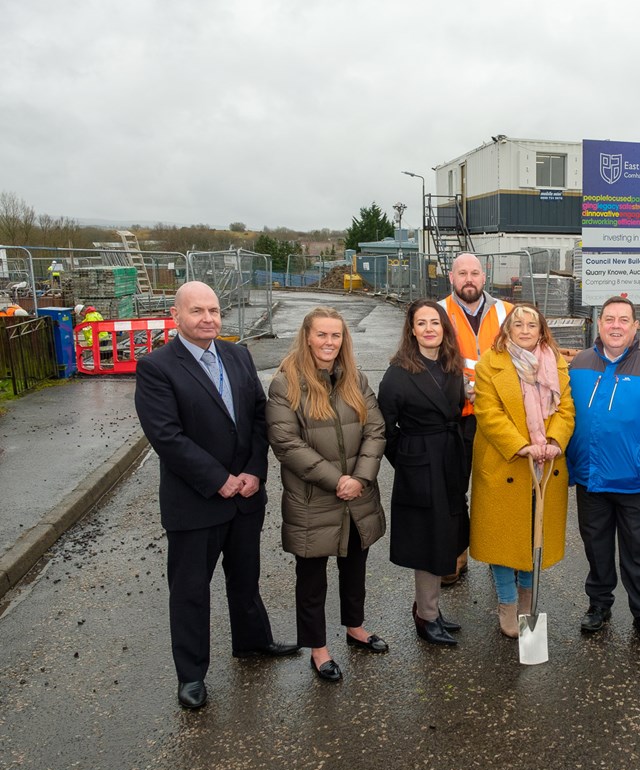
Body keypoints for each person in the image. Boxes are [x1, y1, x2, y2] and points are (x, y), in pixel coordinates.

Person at [134, 281, 297, 710]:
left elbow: (258, 418)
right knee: (190, 590)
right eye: (197, 311)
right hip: (196, 501)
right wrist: (218, 478)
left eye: (214, 311)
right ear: (176, 316)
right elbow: (166, 437)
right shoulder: (157, 367)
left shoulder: (237, 354)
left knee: (245, 579)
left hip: (245, 495)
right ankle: (191, 675)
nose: (208, 319)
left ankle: (252, 642)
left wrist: (253, 471)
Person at [266, 307, 389, 683]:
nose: (329, 343)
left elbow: (376, 430)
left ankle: (355, 627)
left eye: (335, 336)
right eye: (321, 335)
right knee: (312, 577)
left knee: (355, 566)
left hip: (357, 495)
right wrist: (338, 480)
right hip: (313, 499)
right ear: (307, 337)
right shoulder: (286, 384)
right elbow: (286, 443)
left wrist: (361, 478)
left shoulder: (356, 379)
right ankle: (318, 648)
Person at [566, 296, 640, 645]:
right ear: (599, 324)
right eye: (609, 319)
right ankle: (599, 605)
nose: (616, 326)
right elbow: (564, 415)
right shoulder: (579, 365)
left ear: (635, 327)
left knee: (638, 550)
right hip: (591, 480)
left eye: (623, 320)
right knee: (596, 547)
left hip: (634, 482)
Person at [469, 303, 575, 638]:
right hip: (506, 463)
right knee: (503, 540)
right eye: (518, 325)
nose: (526, 330)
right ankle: (508, 604)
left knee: (534, 537)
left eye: (532, 325)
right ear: (507, 330)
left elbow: (566, 407)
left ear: (542, 330)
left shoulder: (555, 362)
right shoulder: (490, 363)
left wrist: (556, 440)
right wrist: (521, 445)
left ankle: (528, 602)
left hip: (545, 465)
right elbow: (487, 410)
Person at [377, 300, 470, 646]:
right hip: (420, 461)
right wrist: (409, 460)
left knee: (447, 534)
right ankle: (426, 616)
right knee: (428, 539)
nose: (429, 329)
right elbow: (385, 428)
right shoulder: (397, 374)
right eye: (422, 323)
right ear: (411, 330)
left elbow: (457, 411)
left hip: (448, 457)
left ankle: (430, 608)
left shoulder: (451, 365)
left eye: (436, 322)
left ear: (444, 328)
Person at [438, 252, 514, 585]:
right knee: (454, 489)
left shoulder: (507, 312)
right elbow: (429, 361)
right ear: (451, 278)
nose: (469, 279)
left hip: (498, 416)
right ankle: (457, 554)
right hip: (458, 417)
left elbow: (523, 357)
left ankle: (503, 557)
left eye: (475, 273)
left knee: (500, 491)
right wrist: (460, 389)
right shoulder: (438, 313)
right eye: (462, 273)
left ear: (485, 278)